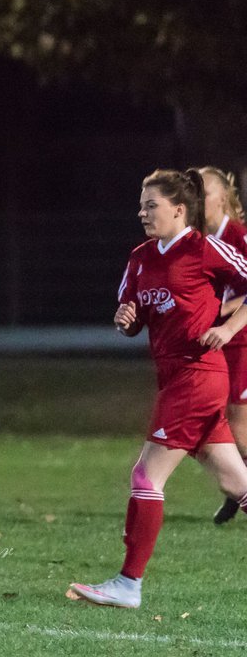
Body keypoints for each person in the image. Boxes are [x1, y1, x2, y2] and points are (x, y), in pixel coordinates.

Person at [70, 168, 247, 608]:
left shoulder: (206, 249)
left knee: (146, 476)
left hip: (198, 376)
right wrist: (126, 321)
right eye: (141, 205)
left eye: (152, 205)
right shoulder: (140, 258)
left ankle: (129, 583)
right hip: (173, 377)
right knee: (235, 480)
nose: (142, 212)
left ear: (179, 210)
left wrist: (228, 329)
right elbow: (133, 315)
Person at [201, 166, 247, 525]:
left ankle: (238, 491)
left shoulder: (238, 237)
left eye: (203, 191)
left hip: (242, 339)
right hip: (215, 343)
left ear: (223, 198)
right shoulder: (198, 240)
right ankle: (236, 490)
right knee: (215, 423)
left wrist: (225, 308)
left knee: (238, 425)